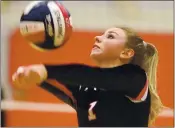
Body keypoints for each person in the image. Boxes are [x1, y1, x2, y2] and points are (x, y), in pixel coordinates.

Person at [12, 27, 163, 127]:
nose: (97, 37)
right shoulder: (88, 90)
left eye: (110, 36)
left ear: (126, 53)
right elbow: (66, 85)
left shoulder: (135, 78)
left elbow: (93, 76)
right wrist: (32, 77)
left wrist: (45, 71)